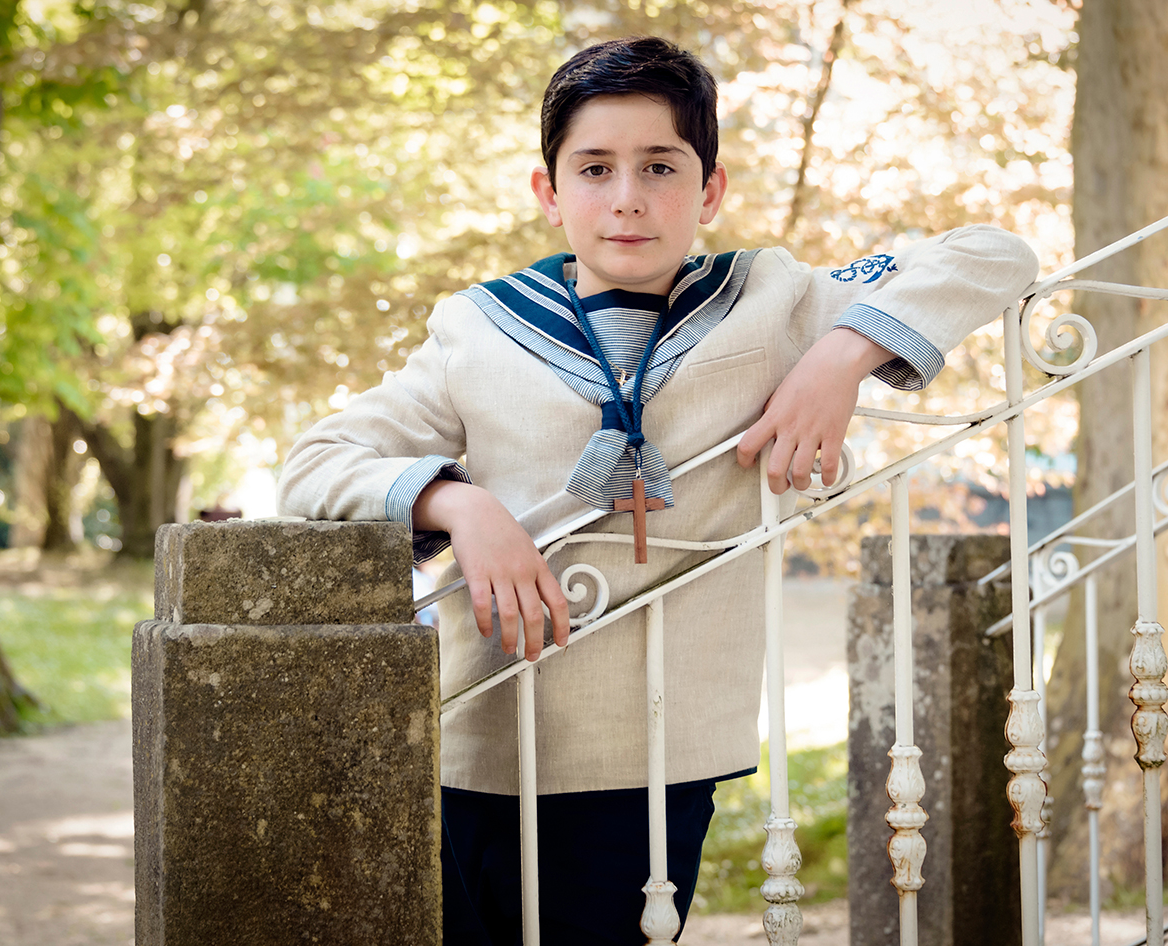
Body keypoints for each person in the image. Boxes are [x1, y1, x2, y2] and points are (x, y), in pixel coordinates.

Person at [278, 36, 1038, 945]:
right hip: (474, 734)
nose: (627, 197)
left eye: (659, 167)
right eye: (594, 168)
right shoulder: (474, 329)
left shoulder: (773, 299)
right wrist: (460, 505)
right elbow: (315, 462)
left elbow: (994, 254)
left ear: (709, 190)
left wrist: (840, 355)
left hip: (654, 750)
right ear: (547, 191)